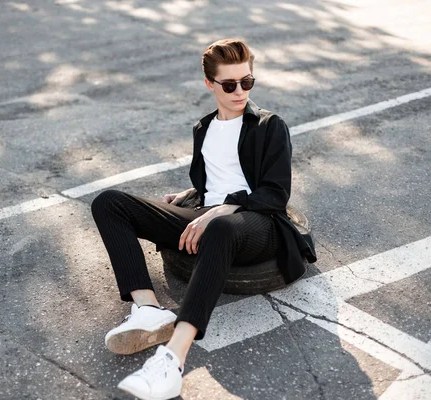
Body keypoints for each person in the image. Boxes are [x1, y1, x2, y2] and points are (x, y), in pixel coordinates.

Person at [90, 38, 317, 400]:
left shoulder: (270, 126)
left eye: (247, 82)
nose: (240, 91)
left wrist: (223, 208)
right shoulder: (204, 128)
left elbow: (275, 193)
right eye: (230, 84)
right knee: (109, 203)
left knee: (221, 225)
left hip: (257, 223)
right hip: (208, 214)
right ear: (210, 84)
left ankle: (172, 360)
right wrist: (189, 195)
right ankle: (148, 309)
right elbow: (215, 179)